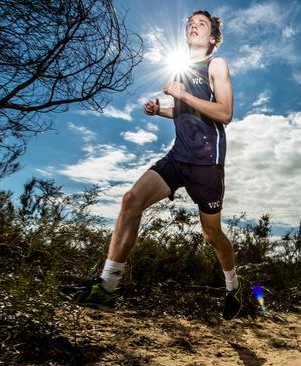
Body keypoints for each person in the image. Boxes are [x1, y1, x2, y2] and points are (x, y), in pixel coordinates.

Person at [66, 10, 244, 320]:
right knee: (131, 201)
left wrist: (182, 94)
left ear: (212, 38)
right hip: (178, 156)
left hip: (206, 163)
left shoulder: (216, 64)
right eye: (190, 22)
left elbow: (224, 112)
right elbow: (183, 109)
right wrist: (158, 110)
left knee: (212, 235)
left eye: (201, 24)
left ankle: (233, 286)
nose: (193, 25)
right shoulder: (182, 71)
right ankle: (106, 288)